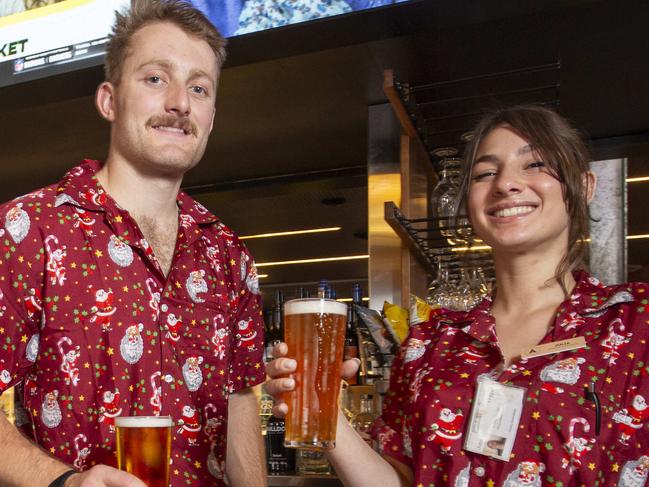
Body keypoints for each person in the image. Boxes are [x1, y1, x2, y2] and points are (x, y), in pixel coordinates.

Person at [267, 105, 649, 486]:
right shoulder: (428, 344)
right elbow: (398, 480)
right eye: (486, 173)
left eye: (534, 164)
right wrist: (326, 411)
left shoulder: (636, 322)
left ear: (584, 187)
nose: (505, 184)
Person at [0, 1, 266, 486]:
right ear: (108, 100)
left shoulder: (230, 255)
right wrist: (63, 482)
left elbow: (241, 401)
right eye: (155, 79)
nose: (180, 103)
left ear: (210, 117)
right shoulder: (29, 229)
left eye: (199, 87)